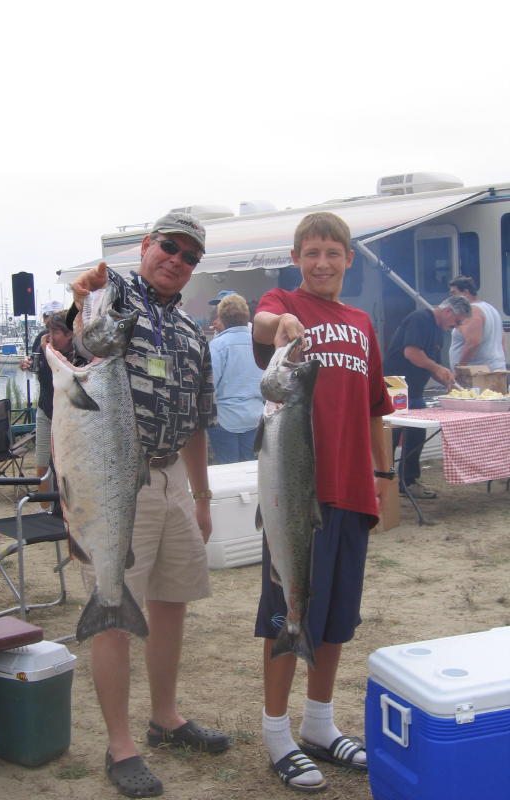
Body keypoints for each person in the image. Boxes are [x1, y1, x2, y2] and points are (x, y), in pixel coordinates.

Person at [68, 212, 228, 798]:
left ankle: (165, 718)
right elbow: (72, 343)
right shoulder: (108, 295)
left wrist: (202, 496)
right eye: (169, 247)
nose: (177, 260)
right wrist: (78, 302)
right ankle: (120, 745)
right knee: (113, 610)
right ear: (146, 245)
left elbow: (199, 423)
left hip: (172, 484)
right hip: (112, 482)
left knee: (171, 603)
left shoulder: (192, 331)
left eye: (189, 256)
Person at [252, 212, 394, 792]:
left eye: (333, 253)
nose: (322, 263)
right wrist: (281, 320)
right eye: (311, 252)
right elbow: (262, 323)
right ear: (296, 257)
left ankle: (318, 722)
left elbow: (375, 407)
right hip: (294, 496)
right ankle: (276, 731)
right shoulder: (286, 304)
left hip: (353, 491)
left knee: (333, 619)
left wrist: (383, 476)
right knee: (287, 612)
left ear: (349, 258)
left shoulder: (362, 323)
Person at [383, 294, 471, 499]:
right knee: (392, 435)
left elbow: (432, 365)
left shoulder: (438, 332)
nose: (456, 326)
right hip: (396, 385)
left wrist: (447, 381)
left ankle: (408, 481)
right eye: (457, 321)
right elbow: (411, 353)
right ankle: (384, 480)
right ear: (448, 311)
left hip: (414, 389)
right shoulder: (420, 319)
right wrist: (437, 368)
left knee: (416, 434)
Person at [20, 310, 76, 507]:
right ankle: (45, 509)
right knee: (42, 460)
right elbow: (36, 363)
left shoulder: (80, 352)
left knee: (68, 465)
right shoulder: (42, 340)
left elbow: (66, 373)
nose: (50, 337)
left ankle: (68, 508)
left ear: (70, 334)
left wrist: (49, 352)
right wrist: (27, 363)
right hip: (46, 408)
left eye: (55, 333)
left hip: (71, 417)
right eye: (48, 332)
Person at [208, 293, 264, 464]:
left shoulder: (217, 346)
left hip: (225, 419)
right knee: (252, 469)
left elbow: (210, 387)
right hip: (255, 416)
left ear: (222, 317)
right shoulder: (260, 343)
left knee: (228, 471)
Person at [448, 276, 506, 372]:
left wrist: (460, 369)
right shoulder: (491, 308)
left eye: (454, 293)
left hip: (477, 374)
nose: (451, 298)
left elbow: (473, 342)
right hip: (495, 369)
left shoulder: (471, 311)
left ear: (465, 292)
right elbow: (502, 341)